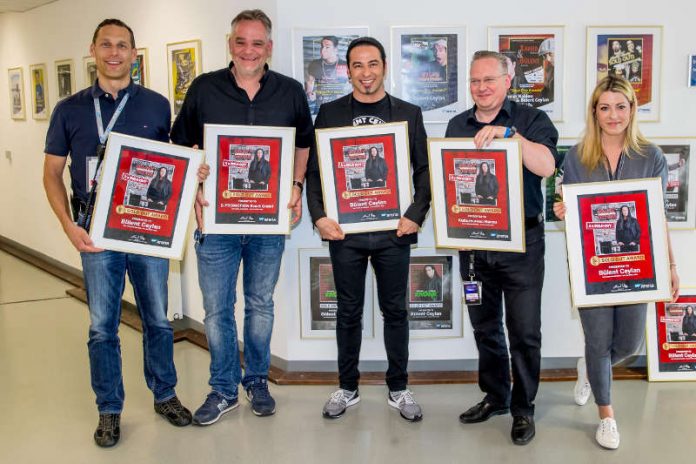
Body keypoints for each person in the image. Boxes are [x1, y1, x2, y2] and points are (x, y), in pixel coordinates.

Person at [43, 18, 193, 448]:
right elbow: (52, 173)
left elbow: (174, 163)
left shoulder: (157, 105)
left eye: (122, 45)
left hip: (146, 229)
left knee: (158, 322)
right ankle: (109, 409)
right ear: (93, 50)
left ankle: (165, 394)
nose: (114, 53)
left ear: (134, 52)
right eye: (106, 45)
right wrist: (68, 226)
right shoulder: (69, 109)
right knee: (102, 327)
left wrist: (194, 169)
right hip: (94, 234)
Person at [170, 9, 313, 424]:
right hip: (216, 223)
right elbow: (182, 145)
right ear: (230, 44)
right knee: (216, 309)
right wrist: (195, 186)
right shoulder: (203, 88)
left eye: (257, 42)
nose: (248, 50)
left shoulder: (289, 91)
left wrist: (297, 185)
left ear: (269, 47)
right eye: (240, 41)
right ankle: (222, 388)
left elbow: (303, 143)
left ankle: (257, 381)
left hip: (268, 224)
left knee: (260, 304)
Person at [305, 36, 431, 422]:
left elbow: (425, 170)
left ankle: (398, 387)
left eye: (372, 64)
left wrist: (415, 213)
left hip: (395, 230)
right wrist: (319, 216)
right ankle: (347, 387)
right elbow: (315, 173)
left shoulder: (408, 112)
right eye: (357, 66)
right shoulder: (329, 113)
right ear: (347, 70)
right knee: (347, 312)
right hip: (346, 232)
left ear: (385, 66)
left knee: (396, 311)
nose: (365, 73)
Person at [553, 75, 680, 450]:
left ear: (631, 110)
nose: (613, 115)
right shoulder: (577, 156)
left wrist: (670, 267)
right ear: (595, 111)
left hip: (637, 265)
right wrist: (564, 211)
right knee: (598, 338)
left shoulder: (651, 156)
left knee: (627, 344)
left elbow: (659, 218)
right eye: (605, 107)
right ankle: (607, 415)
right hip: (591, 265)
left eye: (620, 107)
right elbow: (567, 206)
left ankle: (589, 369)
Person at [446, 50, 559, 445]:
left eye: (489, 80)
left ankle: (523, 408)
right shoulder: (456, 124)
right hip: (474, 244)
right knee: (485, 327)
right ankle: (496, 396)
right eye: (475, 81)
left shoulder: (531, 120)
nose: (481, 88)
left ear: (508, 81)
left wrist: (510, 136)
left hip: (523, 245)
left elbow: (546, 166)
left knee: (525, 332)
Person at [305, 36, 349, 110]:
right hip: (320, 105)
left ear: (336, 50)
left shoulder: (345, 65)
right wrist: (310, 94)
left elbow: (351, 86)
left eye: (327, 47)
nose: (322, 50)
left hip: (341, 105)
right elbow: (310, 84)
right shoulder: (314, 64)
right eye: (322, 46)